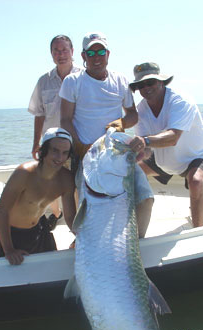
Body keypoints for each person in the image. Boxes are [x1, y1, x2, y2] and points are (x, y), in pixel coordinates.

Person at [59, 31, 153, 237]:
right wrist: (79, 144)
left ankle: (135, 245)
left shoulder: (120, 80)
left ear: (108, 54)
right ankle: (86, 243)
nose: (96, 57)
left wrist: (121, 122)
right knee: (89, 208)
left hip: (116, 154)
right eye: (90, 53)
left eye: (100, 51)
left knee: (145, 197)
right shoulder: (72, 82)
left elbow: (133, 115)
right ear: (83, 57)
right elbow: (65, 119)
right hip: (85, 155)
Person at [128, 62, 203, 228]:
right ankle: (132, 229)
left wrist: (144, 141)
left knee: (196, 182)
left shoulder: (180, 101)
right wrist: (136, 154)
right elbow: (145, 147)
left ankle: (198, 231)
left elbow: (173, 137)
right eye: (141, 85)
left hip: (194, 156)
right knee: (128, 173)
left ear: (161, 82)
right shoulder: (141, 110)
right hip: (163, 160)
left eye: (150, 82)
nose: (146, 88)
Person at [0, 128, 76, 265]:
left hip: (40, 228)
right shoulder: (24, 173)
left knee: (51, 268)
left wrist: (81, 238)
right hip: (13, 234)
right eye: (55, 151)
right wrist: (8, 249)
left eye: (65, 153)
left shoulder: (66, 179)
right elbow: (2, 212)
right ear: (43, 150)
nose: (60, 158)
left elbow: (69, 217)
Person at [28, 35, 81, 229]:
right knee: (50, 183)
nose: (61, 54)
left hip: (77, 143)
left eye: (64, 50)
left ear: (72, 51)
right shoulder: (44, 81)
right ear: (51, 54)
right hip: (51, 144)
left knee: (75, 186)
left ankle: (77, 227)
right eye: (56, 51)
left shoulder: (84, 77)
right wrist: (36, 143)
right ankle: (56, 215)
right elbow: (39, 114)